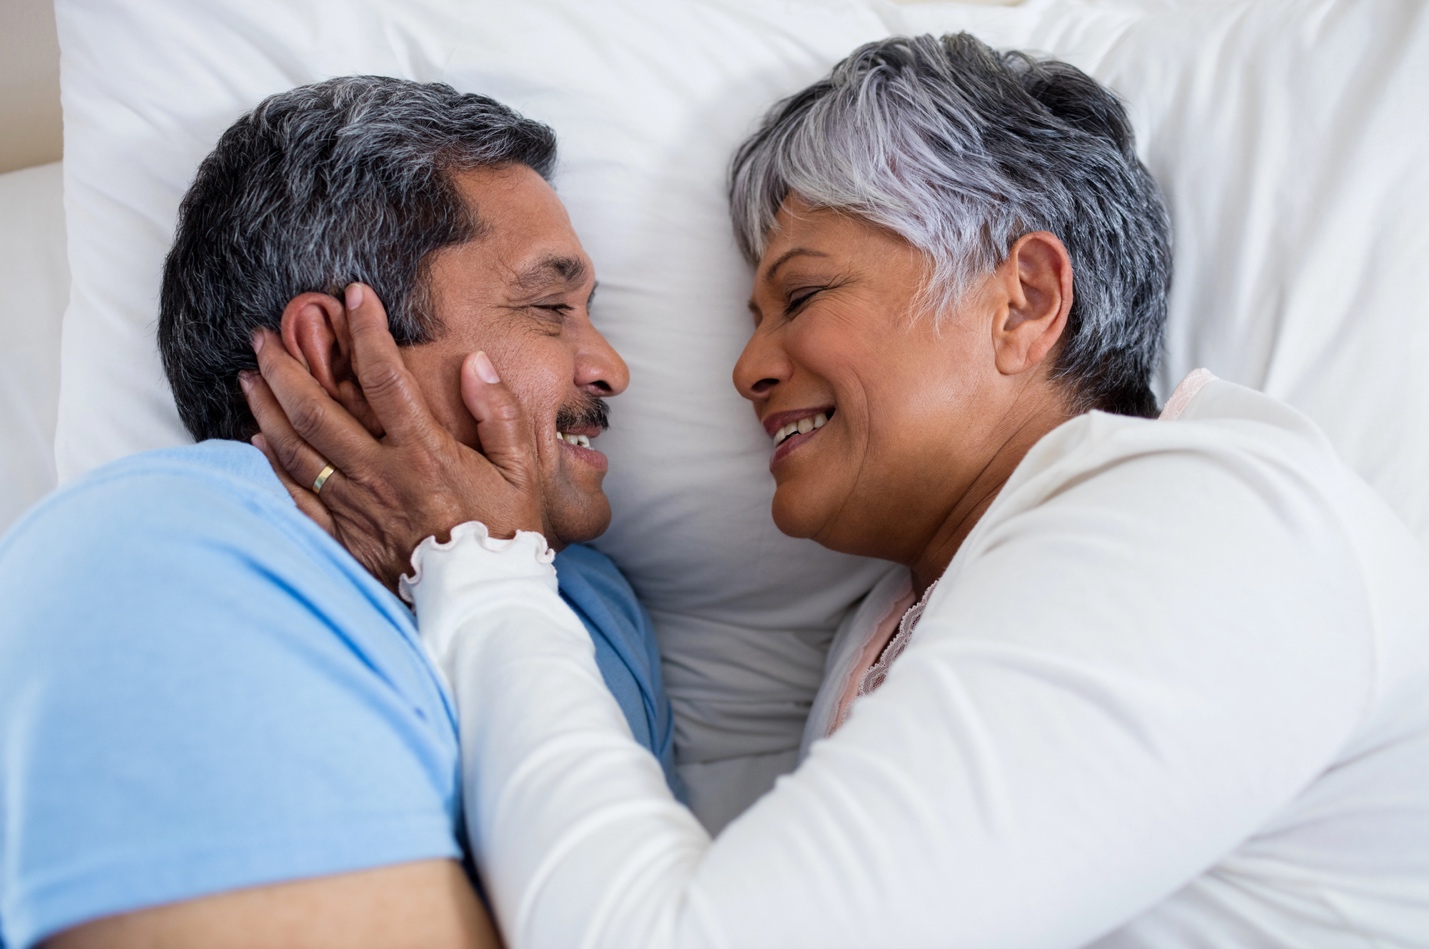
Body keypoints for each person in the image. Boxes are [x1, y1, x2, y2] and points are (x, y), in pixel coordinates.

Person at [249, 34, 1429, 947]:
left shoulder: (1204, 525)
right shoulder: (897, 622)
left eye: (803, 296)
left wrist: (476, 557)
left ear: (1022, 299)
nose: (745, 365)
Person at [0, 76, 680, 949]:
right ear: (338, 354)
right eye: (550, 308)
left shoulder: (592, 605)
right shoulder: (164, 557)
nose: (610, 367)